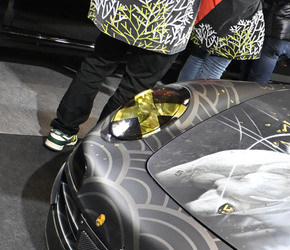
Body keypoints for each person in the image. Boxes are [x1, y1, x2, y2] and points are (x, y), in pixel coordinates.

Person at [44, 0, 202, 151]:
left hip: (125, 9)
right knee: (135, 85)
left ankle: (62, 130)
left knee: (96, 66)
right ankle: (100, 141)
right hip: (167, 19)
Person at [177, 0, 265, 81]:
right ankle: (200, 93)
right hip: (243, 15)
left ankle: (179, 92)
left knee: (197, 56)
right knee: (215, 66)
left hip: (213, 9)